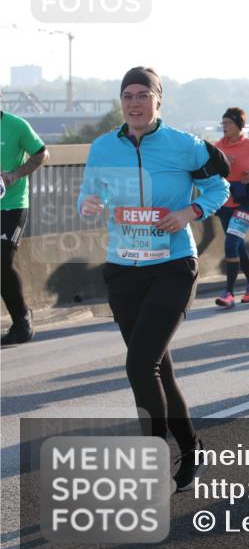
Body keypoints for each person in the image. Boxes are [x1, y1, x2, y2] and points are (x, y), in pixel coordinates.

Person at [78, 67, 230, 490]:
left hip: (173, 266)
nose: (134, 102)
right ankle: (192, 448)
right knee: (157, 366)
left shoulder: (184, 145)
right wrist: (90, 203)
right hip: (123, 269)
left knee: (139, 364)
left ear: (158, 100)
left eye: (143, 94)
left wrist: (190, 212)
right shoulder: (104, 147)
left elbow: (220, 187)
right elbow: (90, 193)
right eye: (127, 95)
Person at [213, 107, 249, 308]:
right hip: (225, 204)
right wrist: (223, 165)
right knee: (237, 244)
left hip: (247, 203)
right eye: (223, 123)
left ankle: (228, 292)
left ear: (239, 125)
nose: (224, 127)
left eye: (228, 123)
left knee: (231, 242)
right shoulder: (217, 147)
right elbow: (209, 172)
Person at [1, 109, 49, 345]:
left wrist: (16, 174)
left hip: (11, 206)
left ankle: (22, 320)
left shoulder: (16, 125)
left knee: (1, 262)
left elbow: (42, 154)